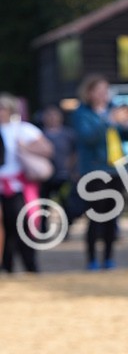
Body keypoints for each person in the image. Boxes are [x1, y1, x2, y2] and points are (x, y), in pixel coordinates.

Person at [72, 75, 128, 270]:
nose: (103, 94)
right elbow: (87, 138)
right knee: (96, 216)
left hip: (116, 169)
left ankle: (109, 258)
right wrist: (108, 121)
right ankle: (91, 260)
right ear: (89, 93)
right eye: (99, 90)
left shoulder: (114, 109)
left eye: (105, 90)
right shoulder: (81, 113)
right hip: (94, 171)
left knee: (112, 217)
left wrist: (127, 123)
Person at [0, 93, 54, 273]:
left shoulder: (22, 129)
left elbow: (47, 149)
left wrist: (25, 147)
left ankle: (29, 264)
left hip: (17, 186)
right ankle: (6, 266)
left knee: (22, 225)